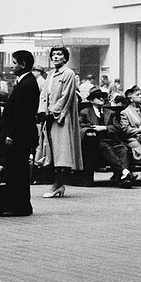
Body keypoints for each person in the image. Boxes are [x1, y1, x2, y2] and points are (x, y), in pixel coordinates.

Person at [37, 44, 83, 198]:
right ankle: (58, 185)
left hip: (61, 118)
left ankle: (57, 185)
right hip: (49, 118)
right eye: (54, 54)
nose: (56, 57)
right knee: (51, 151)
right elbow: (44, 94)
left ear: (65, 57)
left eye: (59, 54)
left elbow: (67, 96)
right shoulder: (50, 75)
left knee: (62, 152)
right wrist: (42, 111)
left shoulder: (68, 74)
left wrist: (53, 111)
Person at [1, 50, 39, 216]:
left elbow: (21, 114)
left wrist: (11, 134)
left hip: (19, 136)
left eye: (15, 63)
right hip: (23, 134)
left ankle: (19, 206)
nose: (12, 66)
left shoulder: (26, 85)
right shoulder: (27, 82)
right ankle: (20, 205)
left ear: (23, 65)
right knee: (19, 170)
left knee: (17, 170)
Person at [79, 88, 133, 186]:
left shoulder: (110, 113)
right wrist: (93, 128)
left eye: (103, 96)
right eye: (98, 97)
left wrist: (104, 128)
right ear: (91, 100)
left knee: (123, 149)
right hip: (96, 141)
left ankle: (123, 177)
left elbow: (118, 127)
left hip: (112, 140)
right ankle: (125, 173)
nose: (101, 98)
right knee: (105, 148)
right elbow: (80, 125)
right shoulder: (85, 112)